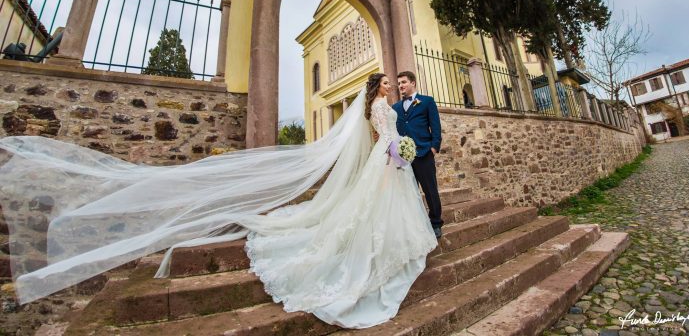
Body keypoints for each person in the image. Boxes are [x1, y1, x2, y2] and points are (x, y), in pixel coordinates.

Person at [0, 73, 436, 329]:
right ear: (379, 88)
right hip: (389, 157)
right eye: (387, 82)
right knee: (374, 208)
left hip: (392, 159)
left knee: (384, 205)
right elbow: (384, 134)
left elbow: (389, 135)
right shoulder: (382, 108)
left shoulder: (387, 105)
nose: (390, 86)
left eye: (393, 82)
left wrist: (403, 150)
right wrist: (398, 150)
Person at [392, 71, 444, 238]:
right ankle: (417, 225)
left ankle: (436, 223)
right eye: (399, 83)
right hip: (404, 158)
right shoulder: (395, 108)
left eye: (404, 82)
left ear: (413, 82)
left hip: (424, 153)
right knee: (410, 192)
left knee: (430, 190)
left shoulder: (427, 102)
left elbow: (435, 126)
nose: (401, 86)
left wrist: (434, 148)